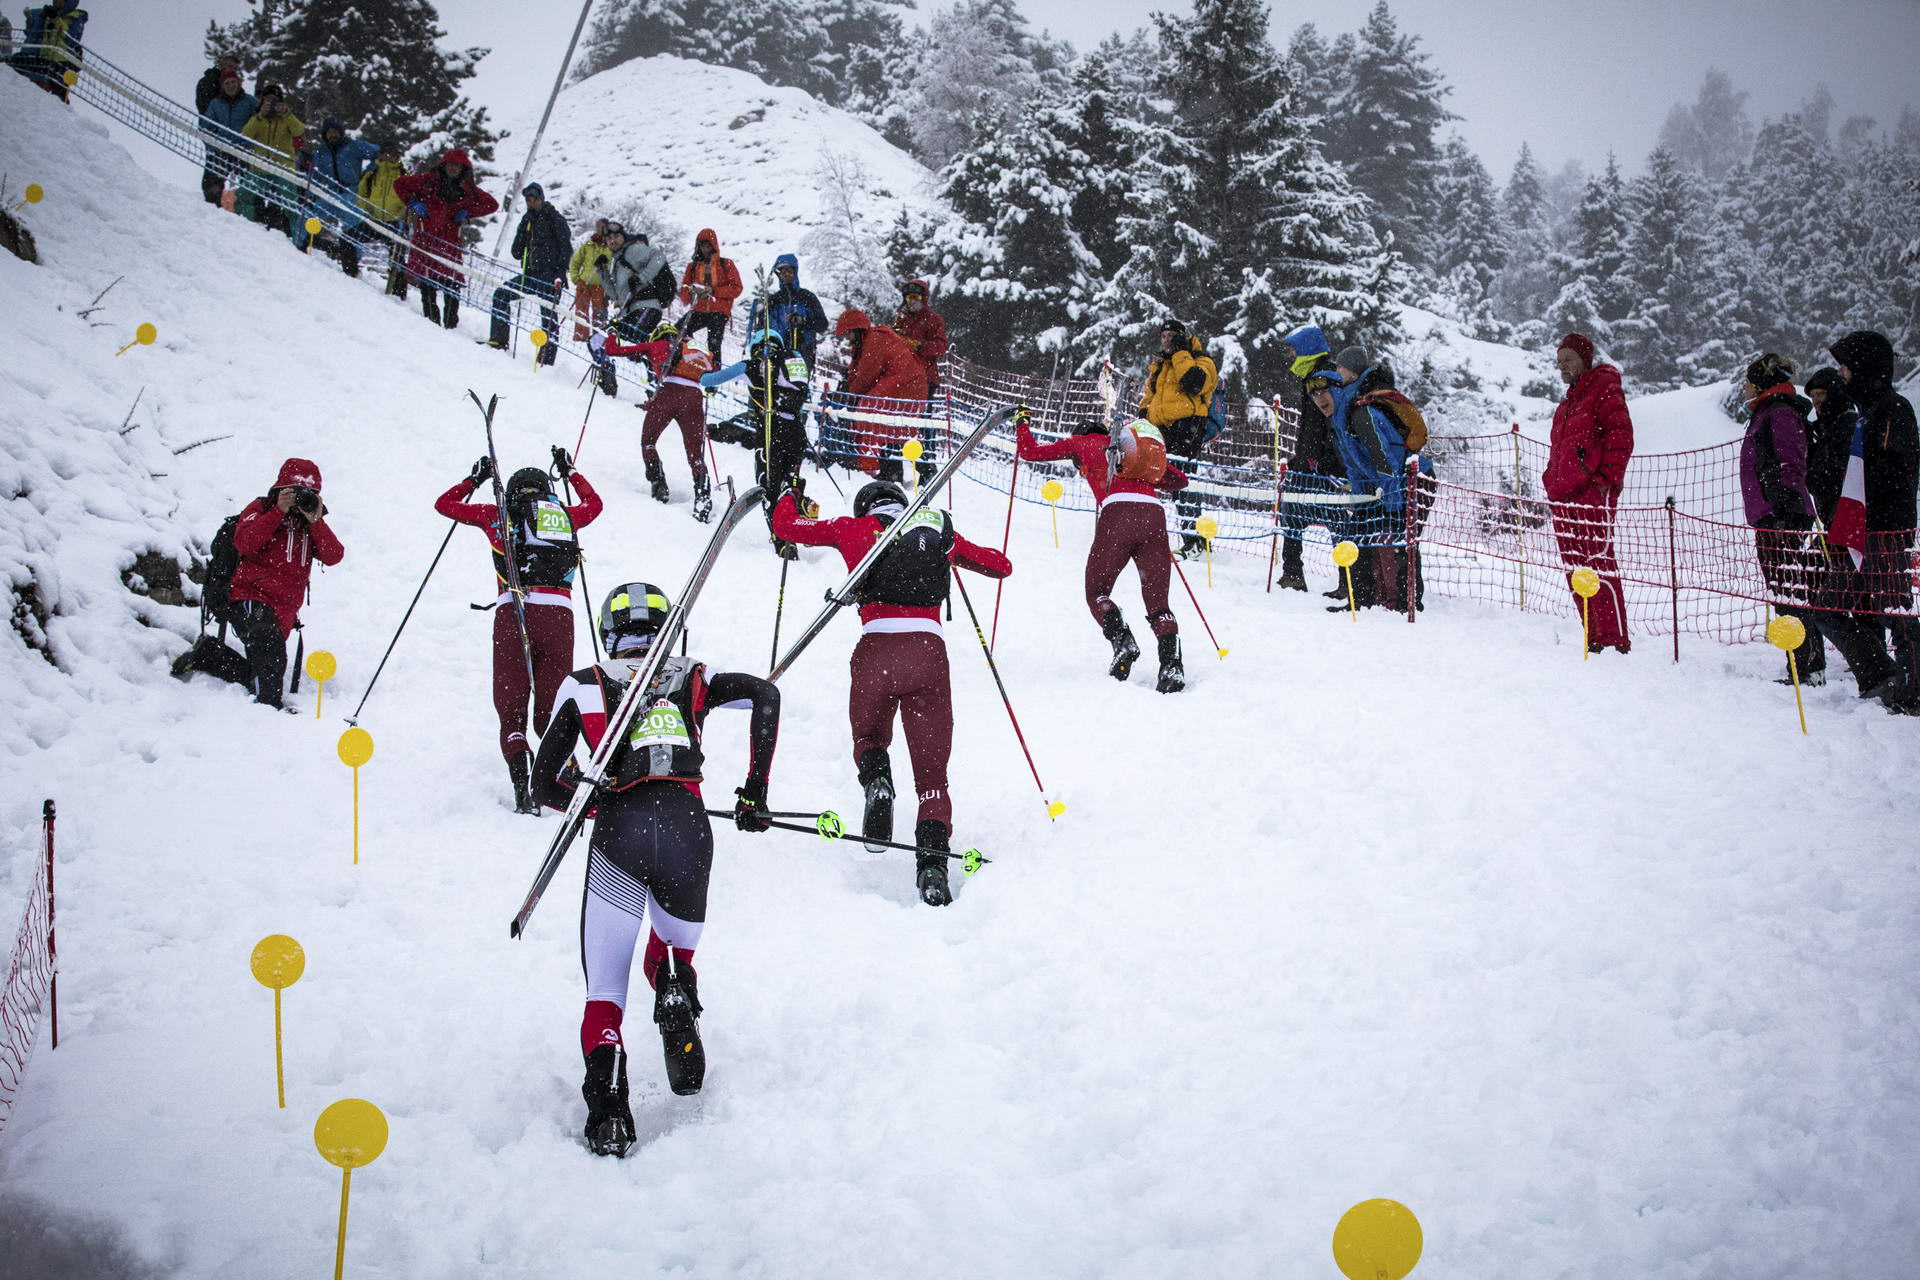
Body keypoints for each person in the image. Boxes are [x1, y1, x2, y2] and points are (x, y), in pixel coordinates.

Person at [529, 583, 781, 1153]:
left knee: (606, 991)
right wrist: (755, 792)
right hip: (691, 829)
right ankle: (673, 988)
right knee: (669, 947)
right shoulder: (693, 677)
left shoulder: (585, 683)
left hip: (620, 829)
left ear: (609, 632)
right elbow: (766, 695)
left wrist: (595, 800)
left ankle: (611, 1110)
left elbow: (541, 781)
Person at [769, 481, 1012, 907]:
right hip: (928, 654)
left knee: (869, 738)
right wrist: (950, 550)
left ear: (867, 506)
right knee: (933, 780)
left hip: (875, 651)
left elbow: (786, 525)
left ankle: (878, 779)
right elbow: (1001, 566)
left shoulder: (852, 528)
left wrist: (790, 494)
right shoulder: (936, 531)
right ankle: (933, 867)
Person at [434, 452, 603, 812]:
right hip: (559, 615)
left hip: (514, 609)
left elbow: (444, 505)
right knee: (550, 711)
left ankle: (521, 783)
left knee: (512, 709)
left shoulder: (498, 513)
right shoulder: (566, 516)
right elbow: (596, 504)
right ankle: (567, 774)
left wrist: (474, 478)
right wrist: (571, 471)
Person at [1015, 412, 1191, 692]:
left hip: (1118, 515)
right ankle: (1172, 666)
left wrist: (1021, 422)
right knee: (1158, 603)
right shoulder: (1126, 451)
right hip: (1154, 516)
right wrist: (1149, 472)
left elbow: (1030, 452)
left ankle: (1123, 641)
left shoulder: (1081, 443)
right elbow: (1180, 481)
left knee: (1096, 591)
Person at [1808, 331, 1919, 712]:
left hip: (1885, 530)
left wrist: (1860, 479)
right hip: (1857, 531)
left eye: (1845, 366)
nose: (1841, 373)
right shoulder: (1865, 415)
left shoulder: (1894, 409)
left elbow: (1899, 472)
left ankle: (1913, 692)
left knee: (1898, 613)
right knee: (1828, 606)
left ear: (1864, 367)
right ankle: (1879, 676)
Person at [212, 459, 345, 709]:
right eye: (295, 492)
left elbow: (334, 555)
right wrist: (277, 511)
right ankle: (267, 710)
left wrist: (316, 521)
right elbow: (244, 543)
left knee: (265, 661)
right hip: (249, 596)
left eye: (310, 494)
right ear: (280, 489)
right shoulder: (262, 508)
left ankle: (210, 658)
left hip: (285, 609)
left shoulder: (310, 523)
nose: (301, 498)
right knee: (269, 649)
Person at [1543, 332, 1633, 653]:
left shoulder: (1604, 389)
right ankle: (1592, 634)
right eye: (1559, 362)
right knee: (1575, 566)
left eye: (1568, 360)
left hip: (1592, 491)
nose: (1562, 367)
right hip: (1562, 494)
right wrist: (1550, 481)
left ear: (1585, 359)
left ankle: (1613, 639)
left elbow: (1620, 435)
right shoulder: (1567, 403)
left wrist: (1604, 479)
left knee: (1598, 562)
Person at [1739, 354, 1825, 684]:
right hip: (1769, 515)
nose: (1744, 386)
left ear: (1761, 382)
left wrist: (1784, 508)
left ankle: (1807, 667)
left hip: (1783, 515)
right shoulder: (1765, 412)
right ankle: (1803, 663)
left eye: (1748, 380)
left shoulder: (1780, 412)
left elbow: (1792, 461)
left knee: (1792, 592)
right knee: (1784, 591)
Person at [700, 328, 813, 553]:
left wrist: (704, 366)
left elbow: (708, 380)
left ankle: (782, 539)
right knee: (788, 483)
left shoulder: (752, 366)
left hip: (771, 429)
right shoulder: (791, 363)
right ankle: (799, 506)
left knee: (769, 486)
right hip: (797, 431)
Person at [597, 320, 719, 519]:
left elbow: (612, 350)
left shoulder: (656, 345)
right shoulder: (690, 351)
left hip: (667, 393)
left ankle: (658, 482)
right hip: (694, 397)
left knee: (649, 442)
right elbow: (714, 371)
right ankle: (703, 496)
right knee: (696, 454)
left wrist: (612, 332)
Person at [1137, 319, 1218, 558]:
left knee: (1182, 480)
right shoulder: (1160, 364)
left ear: (1182, 337)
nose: (1167, 341)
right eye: (1163, 336)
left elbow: (1194, 384)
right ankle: (1144, 533)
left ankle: (1196, 541)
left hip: (1188, 425)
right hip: (1160, 426)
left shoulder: (1202, 360)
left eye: (1172, 336)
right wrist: (1143, 415)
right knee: (1150, 477)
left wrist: (1182, 353)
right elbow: (1149, 393)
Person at [1275, 324, 1346, 592]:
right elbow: (1310, 428)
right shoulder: (1312, 378)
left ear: (1306, 349)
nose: (1291, 354)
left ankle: (1348, 582)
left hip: (1326, 467)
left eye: (1294, 348)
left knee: (1337, 522)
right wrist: (1300, 458)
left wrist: (1320, 459)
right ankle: (1293, 573)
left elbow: (1325, 426)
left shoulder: (1323, 378)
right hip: (1309, 464)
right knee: (1292, 513)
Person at [393, 148, 496, 330]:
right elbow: (400, 184)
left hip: (449, 242)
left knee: (451, 283)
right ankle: (432, 323)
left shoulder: (468, 189)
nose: (453, 168)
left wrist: (468, 212)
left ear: (463, 168)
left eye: (457, 166)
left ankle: (450, 326)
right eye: (450, 164)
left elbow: (492, 204)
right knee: (427, 280)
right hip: (426, 238)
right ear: (444, 165)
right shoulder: (427, 181)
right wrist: (413, 203)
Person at [832, 309, 926, 480]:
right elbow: (859, 370)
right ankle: (891, 469)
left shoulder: (873, 340)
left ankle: (868, 465)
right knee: (888, 425)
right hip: (906, 383)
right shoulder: (868, 341)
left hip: (905, 383)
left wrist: (851, 391)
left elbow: (866, 376)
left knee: (867, 411)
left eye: (849, 333)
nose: (847, 338)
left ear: (857, 330)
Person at [488, 183, 572, 363]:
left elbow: (566, 248)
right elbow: (516, 252)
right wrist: (523, 230)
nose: (531, 203)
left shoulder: (555, 219)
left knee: (548, 318)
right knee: (501, 294)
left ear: (541, 199)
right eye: (528, 200)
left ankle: (546, 361)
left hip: (550, 277)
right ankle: (498, 339)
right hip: (530, 274)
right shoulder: (527, 220)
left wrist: (560, 273)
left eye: (534, 200)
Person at [298, 117, 380, 275]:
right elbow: (315, 173)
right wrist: (311, 192)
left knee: (353, 225)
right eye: (329, 132)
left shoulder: (353, 146)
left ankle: (353, 261)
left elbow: (378, 152)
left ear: (341, 132)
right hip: (330, 190)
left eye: (335, 131)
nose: (332, 135)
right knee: (311, 214)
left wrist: (368, 173)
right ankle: (300, 244)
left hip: (351, 191)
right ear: (325, 134)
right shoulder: (321, 150)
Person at [894, 280, 950, 484]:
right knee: (900, 421)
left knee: (923, 423)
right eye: (908, 297)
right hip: (904, 378)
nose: (912, 301)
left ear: (923, 298)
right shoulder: (902, 318)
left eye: (916, 297)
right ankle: (897, 466)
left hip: (926, 378)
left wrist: (919, 345)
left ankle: (927, 467)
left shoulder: (933, 319)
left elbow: (941, 346)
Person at [238, 85, 305, 238]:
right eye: (268, 100)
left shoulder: (286, 118)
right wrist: (260, 115)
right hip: (259, 167)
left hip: (284, 169)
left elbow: (299, 131)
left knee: (291, 207)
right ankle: (243, 229)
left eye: (275, 100)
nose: (272, 103)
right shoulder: (258, 118)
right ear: (262, 101)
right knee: (243, 196)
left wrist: (286, 113)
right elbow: (245, 135)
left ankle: (297, 240)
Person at [745, 253, 827, 369]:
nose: (786, 275)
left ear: (795, 272)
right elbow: (761, 329)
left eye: (789, 271)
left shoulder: (807, 297)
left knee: (798, 386)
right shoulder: (773, 301)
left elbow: (822, 324)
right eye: (782, 272)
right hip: (776, 354)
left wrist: (802, 321)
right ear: (779, 275)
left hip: (803, 353)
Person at [354, 141, 410, 298]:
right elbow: (362, 194)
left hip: (395, 223)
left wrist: (403, 218)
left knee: (397, 260)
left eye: (392, 154)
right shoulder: (372, 173)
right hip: (374, 220)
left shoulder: (404, 174)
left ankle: (399, 296)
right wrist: (365, 212)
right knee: (349, 240)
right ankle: (350, 274)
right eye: (385, 154)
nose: (388, 157)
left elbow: (410, 201)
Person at [1803, 367, 1857, 527]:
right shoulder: (1826, 429)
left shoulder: (1847, 424)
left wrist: (1813, 477)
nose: (1815, 401)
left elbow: (1837, 474)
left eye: (1820, 394)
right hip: (1835, 518)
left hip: (1846, 519)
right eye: (1812, 396)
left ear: (1834, 394)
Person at [603, 223, 673, 345]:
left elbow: (659, 260)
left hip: (648, 304)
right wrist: (602, 271)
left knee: (632, 340)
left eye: (616, 236)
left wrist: (641, 279)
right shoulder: (620, 263)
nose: (612, 241)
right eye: (609, 238)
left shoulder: (639, 254)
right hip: (632, 308)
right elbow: (617, 292)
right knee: (619, 337)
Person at [677, 228, 742, 361]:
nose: (704, 249)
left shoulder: (726, 264)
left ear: (713, 246)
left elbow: (736, 288)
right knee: (678, 331)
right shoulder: (692, 267)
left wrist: (713, 291)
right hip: (698, 309)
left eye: (707, 246)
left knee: (714, 345)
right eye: (701, 246)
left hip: (718, 311)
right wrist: (692, 292)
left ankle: (712, 375)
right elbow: (684, 291)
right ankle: (693, 359)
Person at [197, 68, 256, 209]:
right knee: (212, 183)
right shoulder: (215, 103)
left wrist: (251, 147)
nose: (231, 85)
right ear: (223, 85)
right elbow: (206, 128)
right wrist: (214, 148)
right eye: (227, 83)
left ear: (239, 83)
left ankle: (250, 213)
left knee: (251, 185)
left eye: (233, 82)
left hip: (244, 151)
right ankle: (213, 210)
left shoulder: (250, 102)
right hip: (222, 150)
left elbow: (259, 123)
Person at [17, 1, 86, 101]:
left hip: (61, 65)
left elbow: (72, 39)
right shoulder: (48, 14)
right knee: (34, 92)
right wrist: (40, 18)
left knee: (58, 98)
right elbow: (33, 36)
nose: (57, 2)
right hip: (43, 60)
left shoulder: (76, 18)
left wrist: (56, 20)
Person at [568, 219, 613, 343]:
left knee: (599, 313)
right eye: (598, 226)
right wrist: (577, 279)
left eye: (603, 227)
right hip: (584, 284)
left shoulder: (611, 247)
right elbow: (575, 263)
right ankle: (581, 337)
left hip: (601, 285)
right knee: (581, 311)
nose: (600, 229)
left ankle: (597, 339)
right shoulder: (588, 245)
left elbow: (615, 266)